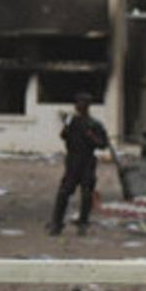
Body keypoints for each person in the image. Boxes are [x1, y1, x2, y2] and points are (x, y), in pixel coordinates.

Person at [47, 92, 109, 236]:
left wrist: (91, 137)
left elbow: (103, 144)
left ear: (88, 106)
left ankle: (83, 223)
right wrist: (67, 125)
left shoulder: (95, 124)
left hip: (87, 161)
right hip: (73, 161)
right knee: (64, 192)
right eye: (78, 102)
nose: (79, 106)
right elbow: (63, 136)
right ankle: (56, 224)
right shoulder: (72, 121)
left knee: (87, 194)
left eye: (82, 103)